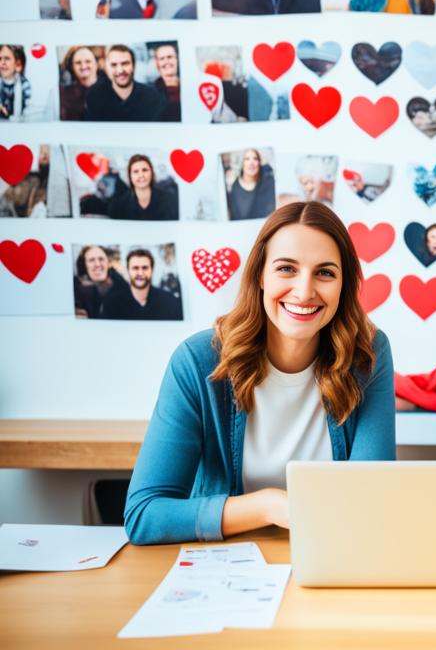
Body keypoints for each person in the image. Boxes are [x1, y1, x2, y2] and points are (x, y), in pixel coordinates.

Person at [124, 202, 396, 544]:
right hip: (224, 569)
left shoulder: (366, 355)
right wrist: (269, 506)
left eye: (325, 272)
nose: (304, 291)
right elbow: (145, 516)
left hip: (330, 556)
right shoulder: (197, 362)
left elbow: (371, 498)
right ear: (260, 277)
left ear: (343, 287)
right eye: (286, 269)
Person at [84, 45, 165, 121]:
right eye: (114, 65)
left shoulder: (152, 96)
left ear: (133, 66)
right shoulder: (95, 96)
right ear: (106, 69)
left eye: (125, 63)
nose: (120, 70)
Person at [99, 249, 183, 321]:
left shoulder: (170, 302)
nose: (140, 273)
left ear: (152, 270)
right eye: (135, 268)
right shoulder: (112, 303)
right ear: (128, 270)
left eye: (145, 268)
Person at [107, 154, 178, 221]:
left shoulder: (169, 200)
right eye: (135, 171)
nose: (141, 175)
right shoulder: (119, 206)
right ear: (130, 176)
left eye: (145, 170)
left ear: (152, 173)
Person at [73, 245, 128, 318]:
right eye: (91, 260)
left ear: (108, 263)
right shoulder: (78, 292)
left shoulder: (124, 290)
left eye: (101, 259)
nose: (97, 264)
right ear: (84, 265)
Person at [227, 148, 276, 220]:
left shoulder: (269, 183)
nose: (251, 163)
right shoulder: (233, 188)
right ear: (242, 162)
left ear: (259, 162)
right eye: (247, 159)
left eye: (255, 158)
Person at [59, 45, 103, 120]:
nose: (83, 66)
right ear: (72, 67)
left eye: (88, 61)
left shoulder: (111, 88)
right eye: (78, 63)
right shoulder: (63, 95)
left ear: (96, 64)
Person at [151, 43, 180, 122]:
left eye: (170, 57)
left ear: (177, 59)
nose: (166, 61)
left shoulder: (189, 86)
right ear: (157, 64)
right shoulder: (150, 92)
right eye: (162, 59)